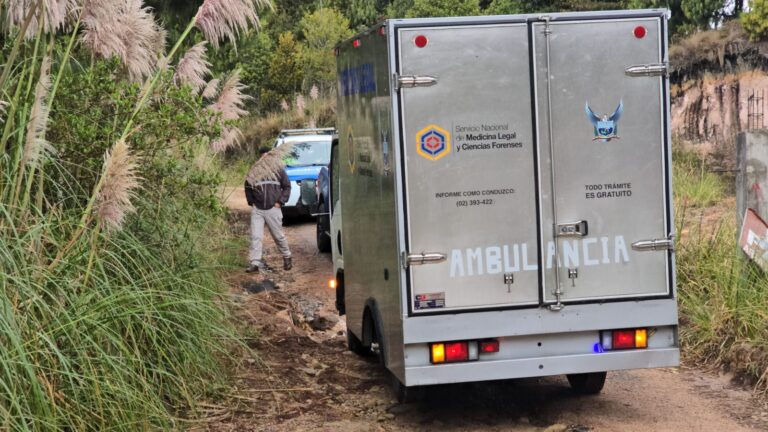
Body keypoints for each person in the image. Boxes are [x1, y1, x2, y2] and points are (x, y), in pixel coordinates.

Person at [244, 146, 292, 273]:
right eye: (263, 156)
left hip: (273, 208)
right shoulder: (254, 170)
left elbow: (287, 186)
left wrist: (280, 202)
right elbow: (248, 186)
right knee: (256, 237)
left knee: (278, 236)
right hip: (257, 210)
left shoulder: (278, 170)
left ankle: (287, 256)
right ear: (260, 157)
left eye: (267, 155)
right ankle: (254, 263)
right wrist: (251, 202)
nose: (265, 158)